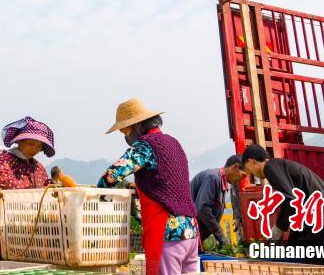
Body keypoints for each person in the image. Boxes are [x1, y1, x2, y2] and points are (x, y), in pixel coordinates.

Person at [99, 99, 198, 275]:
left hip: (167, 233)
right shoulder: (173, 142)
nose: (125, 136)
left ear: (136, 125)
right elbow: (164, 183)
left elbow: (113, 175)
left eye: (125, 130)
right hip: (190, 231)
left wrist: (97, 192)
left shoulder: (145, 145)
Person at [241, 145, 324, 274]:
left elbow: (290, 201)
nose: (249, 173)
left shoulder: (270, 167)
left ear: (252, 162)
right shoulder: (283, 166)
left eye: (248, 169)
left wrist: (278, 228)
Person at [0, 116, 55, 260]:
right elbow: (2, 183)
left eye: (39, 146)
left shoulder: (38, 167)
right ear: (20, 141)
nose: (35, 149)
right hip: (9, 225)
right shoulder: (6, 159)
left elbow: (45, 188)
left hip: (32, 229)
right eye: (31, 144)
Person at [190, 154, 245, 248]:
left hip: (195, 237)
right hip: (188, 232)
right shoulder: (213, 177)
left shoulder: (221, 182)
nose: (241, 179)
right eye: (243, 175)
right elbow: (203, 209)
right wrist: (222, 238)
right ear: (235, 167)